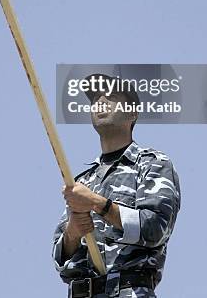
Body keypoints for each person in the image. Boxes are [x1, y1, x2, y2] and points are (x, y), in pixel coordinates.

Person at [52, 74, 181, 298]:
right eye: (95, 98)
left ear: (132, 113)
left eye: (111, 96)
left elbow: (155, 229)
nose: (100, 101)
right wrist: (73, 231)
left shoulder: (152, 164)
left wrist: (97, 204)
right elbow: (60, 261)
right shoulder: (83, 181)